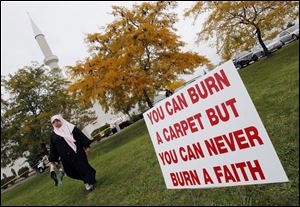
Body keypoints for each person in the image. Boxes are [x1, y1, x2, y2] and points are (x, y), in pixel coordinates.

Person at [49, 114, 96, 192]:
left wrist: (87, 146)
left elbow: (81, 136)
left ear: (61, 120)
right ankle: (90, 176)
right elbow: (53, 148)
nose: (56, 123)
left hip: (77, 153)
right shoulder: (53, 135)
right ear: (52, 124)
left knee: (83, 168)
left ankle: (88, 183)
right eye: (54, 122)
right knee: (70, 172)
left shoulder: (71, 128)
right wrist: (52, 160)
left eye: (57, 120)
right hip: (66, 159)